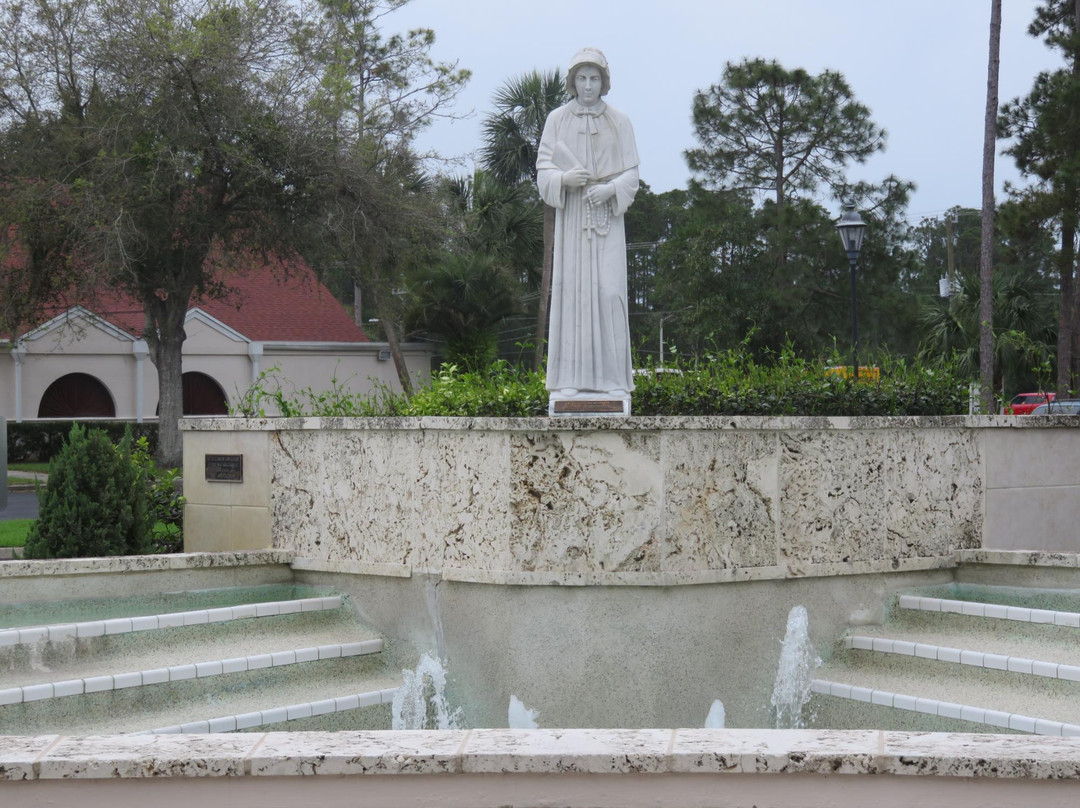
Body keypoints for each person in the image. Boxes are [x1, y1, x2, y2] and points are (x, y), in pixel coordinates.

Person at [536, 47, 640, 402]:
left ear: (604, 81)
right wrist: (564, 179)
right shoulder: (556, 120)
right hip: (572, 218)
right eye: (581, 78)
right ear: (572, 82)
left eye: (594, 78)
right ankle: (570, 379)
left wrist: (610, 189)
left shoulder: (620, 121)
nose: (588, 85)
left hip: (607, 216)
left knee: (609, 292)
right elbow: (543, 169)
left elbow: (632, 174)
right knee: (573, 293)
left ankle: (614, 380)